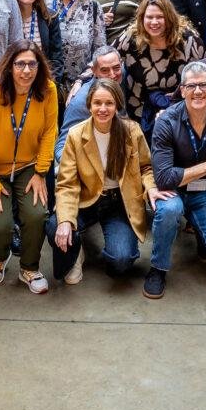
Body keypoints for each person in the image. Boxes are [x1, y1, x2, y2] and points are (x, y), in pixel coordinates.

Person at [0, 42, 58, 293]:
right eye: (20, 64)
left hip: (28, 166)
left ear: (39, 66)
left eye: (32, 64)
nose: (26, 70)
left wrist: (41, 171)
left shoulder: (48, 91)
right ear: (10, 67)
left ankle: (29, 267)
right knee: (0, 225)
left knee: (36, 214)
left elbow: (49, 132)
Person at [50, 78, 153, 284]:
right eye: (97, 103)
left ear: (117, 105)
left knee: (121, 261)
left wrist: (151, 188)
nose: (103, 109)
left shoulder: (132, 131)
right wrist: (66, 220)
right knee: (55, 224)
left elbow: (146, 167)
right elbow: (67, 183)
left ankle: (111, 245)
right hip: (86, 199)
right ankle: (75, 251)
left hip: (119, 202)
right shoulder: (76, 135)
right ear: (89, 105)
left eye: (109, 103)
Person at [148, 62, 206, 296]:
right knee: (169, 210)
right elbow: (164, 178)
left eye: (203, 85)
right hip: (172, 191)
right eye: (191, 86)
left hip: (204, 190)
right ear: (182, 91)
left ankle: (200, 230)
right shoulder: (166, 121)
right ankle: (158, 268)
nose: (198, 91)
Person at [116, 0, 205, 134]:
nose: (154, 22)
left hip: (179, 105)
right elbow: (107, 57)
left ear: (169, 17)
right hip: (139, 106)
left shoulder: (188, 39)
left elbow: (204, 72)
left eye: (160, 17)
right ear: (142, 18)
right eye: (149, 17)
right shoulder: (131, 37)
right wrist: (81, 80)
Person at [44, 0, 105, 88]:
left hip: (82, 84)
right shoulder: (44, 2)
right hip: (47, 82)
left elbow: (99, 52)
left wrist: (82, 80)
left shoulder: (93, 7)